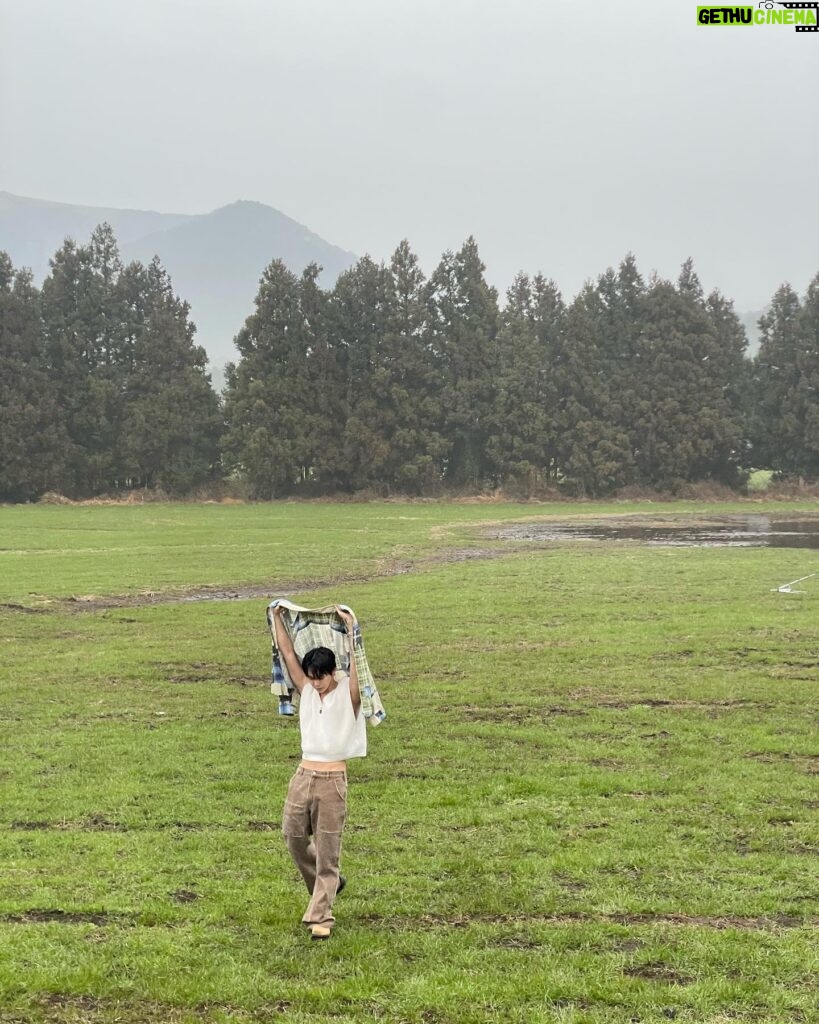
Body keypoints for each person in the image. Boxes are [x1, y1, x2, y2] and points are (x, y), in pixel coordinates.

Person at [271, 603, 366, 940]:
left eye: (321, 678)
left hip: (332, 780)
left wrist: (352, 628)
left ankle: (321, 915)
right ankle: (329, 886)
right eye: (312, 679)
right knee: (293, 837)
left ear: (331, 672)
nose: (317, 685)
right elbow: (287, 652)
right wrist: (277, 618)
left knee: (328, 848)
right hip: (303, 775)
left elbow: (359, 670)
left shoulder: (347, 695)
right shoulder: (309, 691)